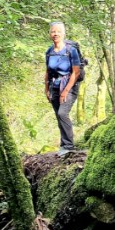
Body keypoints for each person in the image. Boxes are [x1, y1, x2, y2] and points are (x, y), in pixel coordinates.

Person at [45, 21, 81, 155]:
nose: (55, 34)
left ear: (63, 33)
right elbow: (47, 71)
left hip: (70, 86)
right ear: (50, 34)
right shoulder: (49, 51)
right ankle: (63, 144)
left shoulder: (70, 51)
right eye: (53, 31)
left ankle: (69, 146)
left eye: (58, 31)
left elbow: (75, 72)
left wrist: (65, 91)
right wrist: (46, 89)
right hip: (54, 86)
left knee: (62, 113)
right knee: (58, 115)